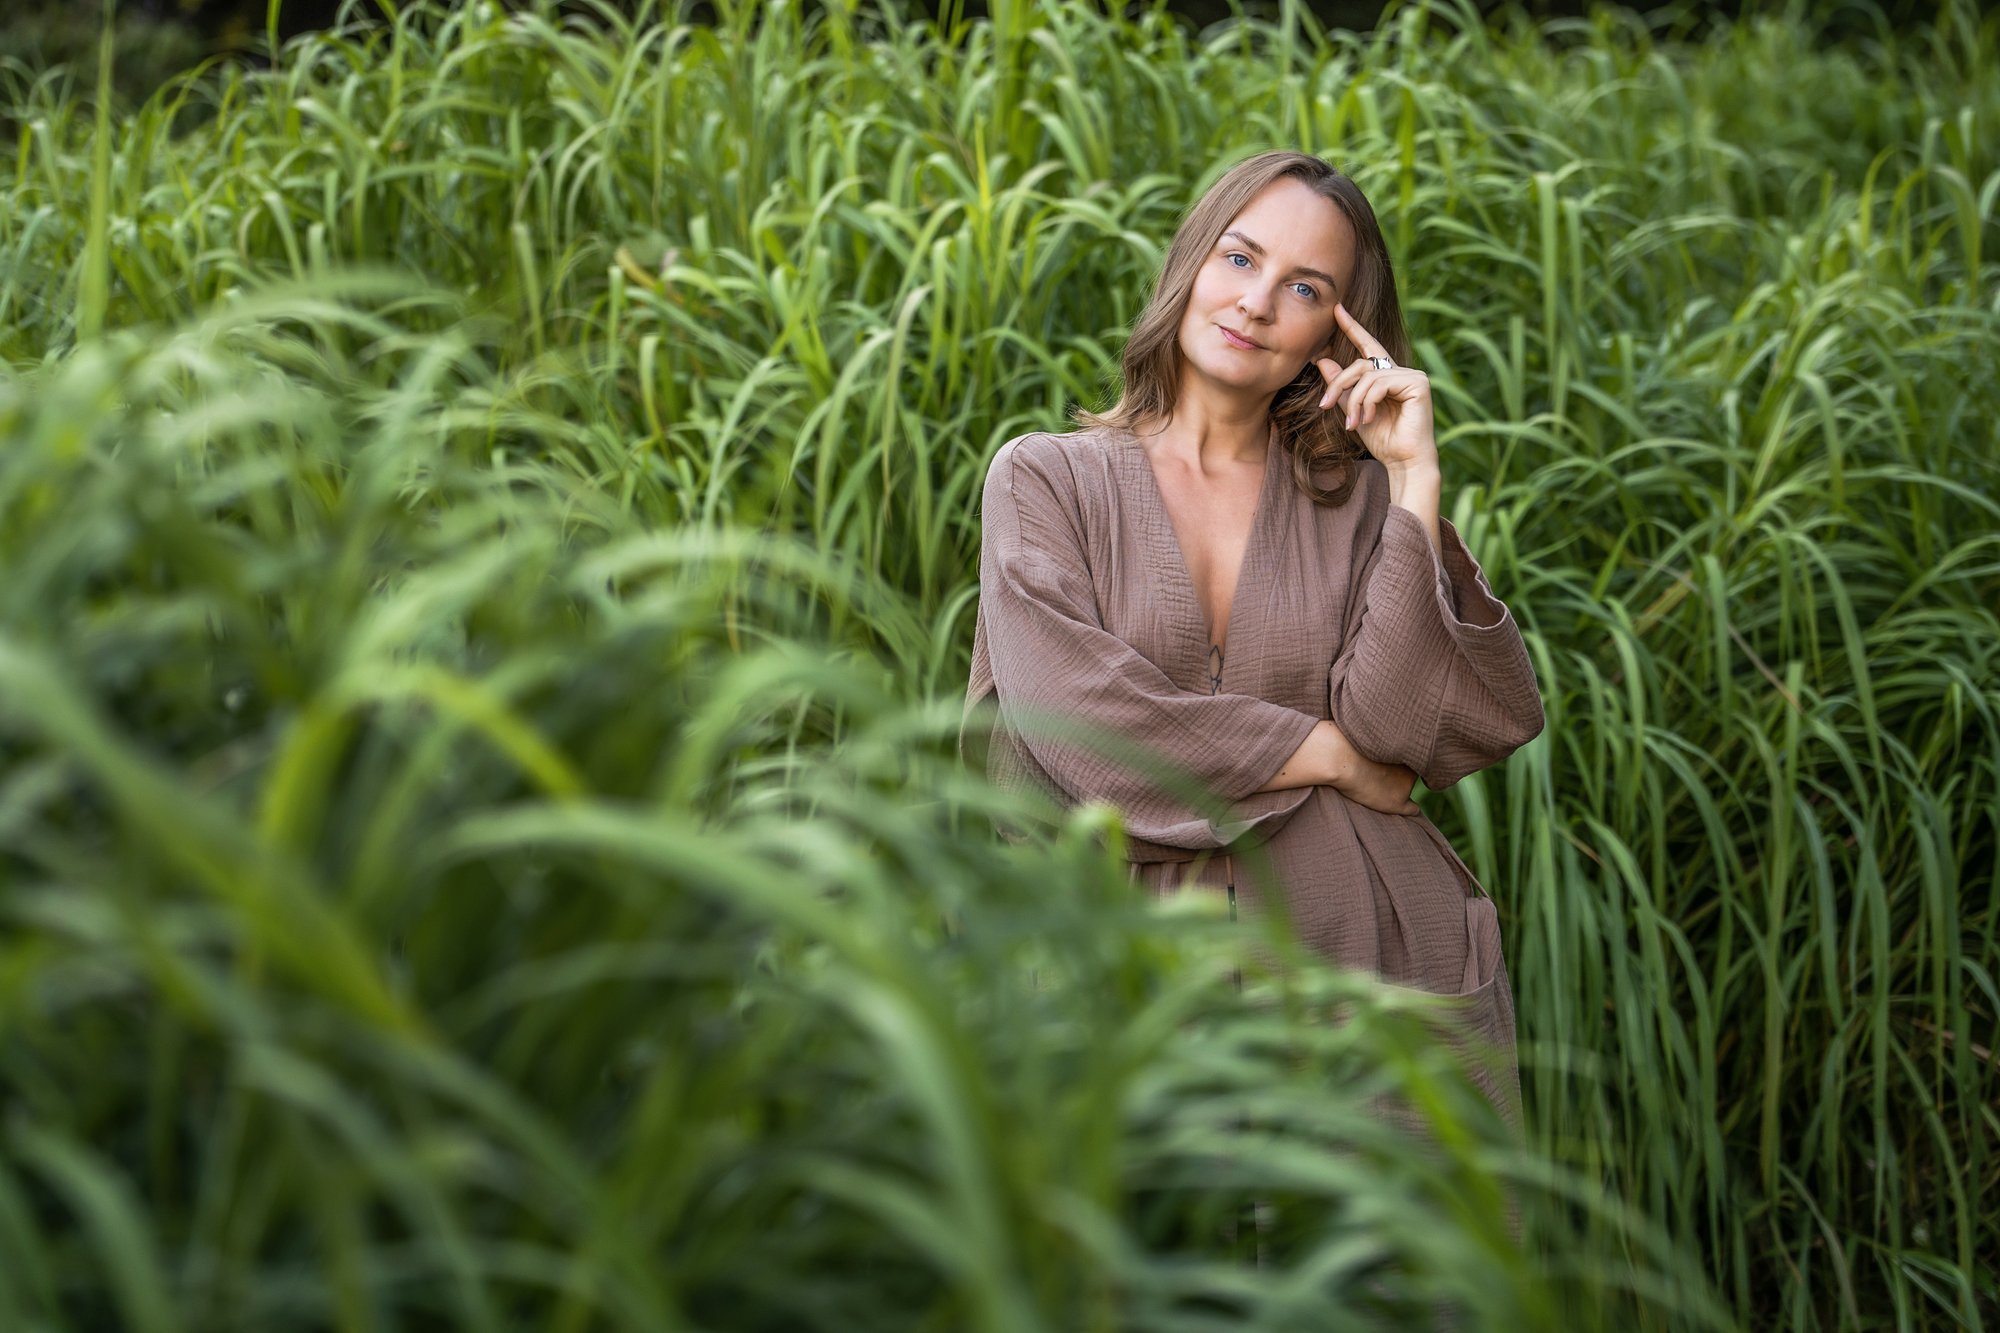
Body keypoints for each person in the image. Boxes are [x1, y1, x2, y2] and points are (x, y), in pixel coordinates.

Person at [959, 149, 1547, 1146]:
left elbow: (1395, 729)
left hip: (1365, 959)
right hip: (1115, 976)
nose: (1258, 302)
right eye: (1239, 258)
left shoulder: (1358, 503)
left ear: (1338, 331)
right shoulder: (1044, 479)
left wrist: (1411, 484)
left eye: (1305, 288)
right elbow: (1080, 724)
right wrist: (1326, 756)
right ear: (1191, 262)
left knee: (1378, 1243)